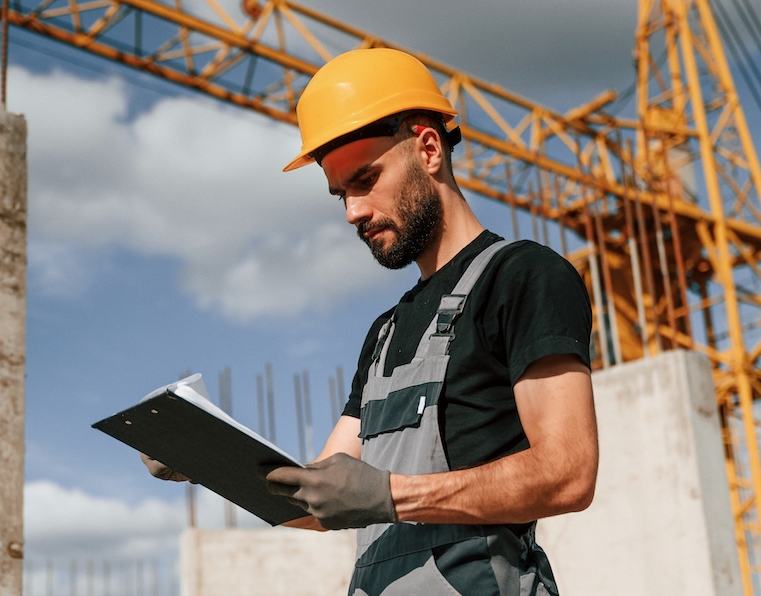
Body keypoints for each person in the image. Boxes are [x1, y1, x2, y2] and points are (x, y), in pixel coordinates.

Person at [145, 48, 598, 596]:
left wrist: (392, 497)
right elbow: (318, 503)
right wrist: (207, 458)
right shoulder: (384, 335)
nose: (352, 212)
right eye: (341, 194)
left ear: (428, 147)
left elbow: (569, 472)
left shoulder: (524, 278)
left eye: (366, 180)